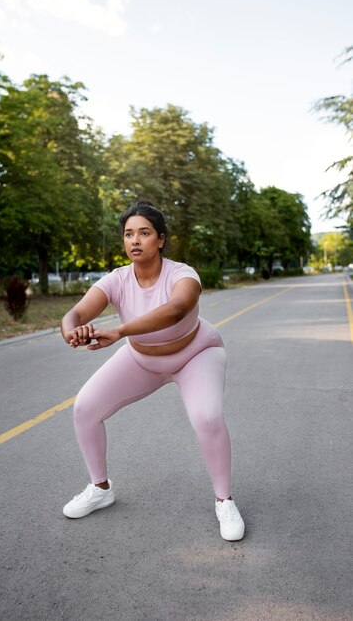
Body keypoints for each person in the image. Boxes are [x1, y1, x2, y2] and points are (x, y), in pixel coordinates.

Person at [60, 200, 245, 541]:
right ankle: (100, 488)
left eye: (144, 233)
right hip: (143, 359)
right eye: (129, 234)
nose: (135, 240)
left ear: (160, 239)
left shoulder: (182, 274)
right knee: (85, 408)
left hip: (197, 354)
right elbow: (75, 314)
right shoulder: (116, 280)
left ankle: (224, 500)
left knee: (207, 417)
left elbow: (175, 310)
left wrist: (119, 331)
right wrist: (73, 330)